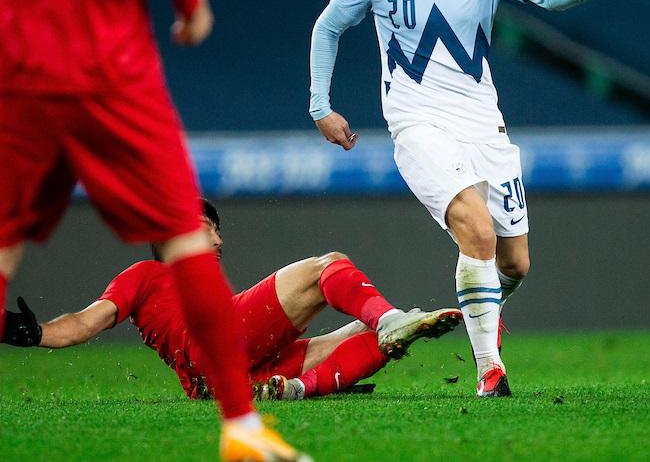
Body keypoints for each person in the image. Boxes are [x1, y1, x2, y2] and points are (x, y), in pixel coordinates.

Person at [0, 0, 306, 459]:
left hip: (21, 64)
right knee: (182, 238)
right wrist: (193, 6)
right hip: (110, 68)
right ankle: (239, 430)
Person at [309, 0, 650, 397]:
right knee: (478, 231)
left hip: (482, 125)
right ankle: (490, 369)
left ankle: (481, 308)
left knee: (515, 263)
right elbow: (327, 29)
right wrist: (320, 105)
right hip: (417, 125)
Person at [3, 200, 463, 401]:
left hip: (228, 379)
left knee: (363, 334)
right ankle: (388, 319)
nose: (219, 239)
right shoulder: (146, 275)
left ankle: (301, 388)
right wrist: (35, 332)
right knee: (328, 265)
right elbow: (88, 322)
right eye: (209, 229)